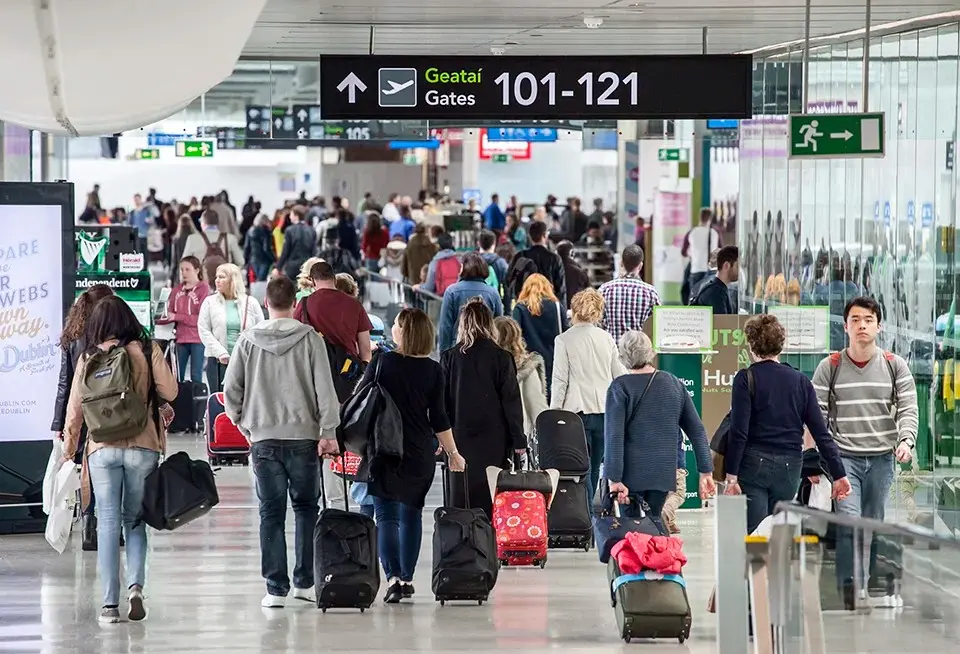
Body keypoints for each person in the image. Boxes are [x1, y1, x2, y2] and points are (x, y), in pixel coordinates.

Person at [222, 276, 341, 609]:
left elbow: (231, 390)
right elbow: (325, 391)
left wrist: (242, 422)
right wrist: (328, 431)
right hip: (304, 437)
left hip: (263, 438)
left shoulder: (247, 341)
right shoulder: (311, 340)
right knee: (306, 509)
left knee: (270, 513)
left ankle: (275, 588)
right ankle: (304, 582)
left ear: (266, 304)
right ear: (296, 305)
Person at [61, 296, 178, 624]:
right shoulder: (146, 348)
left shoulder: (88, 357)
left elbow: (74, 411)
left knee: (109, 524)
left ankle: (109, 606)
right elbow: (170, 392)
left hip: (102, 448)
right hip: (143, 445)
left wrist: (70, 452)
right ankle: (136, 588)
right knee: (135, 520)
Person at [811, 297, 918, 608]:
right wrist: (823, 455)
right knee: (848, 522)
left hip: (883, 458)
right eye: (855, 320)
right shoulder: (829, 366)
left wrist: (906, 441)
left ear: (878, 326)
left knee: (874, 521)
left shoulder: (894, 364)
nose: (861, 325)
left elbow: (909, 408)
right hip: (844, 459)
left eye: (868, 320)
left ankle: (868, 583)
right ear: (845, 326)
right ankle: (847, 588)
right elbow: (816, 414)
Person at [362, 308, 465, 603]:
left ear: (404, 331)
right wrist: (453, 453)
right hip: (419, 452)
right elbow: (440, 418)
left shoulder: (382, 362)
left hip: (384, 448)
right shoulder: (433, 370)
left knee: (385, 516)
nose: (393, 327)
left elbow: (362, 399)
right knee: (411, 514)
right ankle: (407, 579)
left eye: (396, 323)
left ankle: (393, 577)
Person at [723, 315, 850, 534]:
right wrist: (839, 474)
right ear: (781, 345)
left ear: (752, 345)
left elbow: (739, 432)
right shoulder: (800, 381)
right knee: (782, 530)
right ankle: (780, 567)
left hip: (754, 463)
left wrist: (731, 476)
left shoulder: (746, 379)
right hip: (790, 466)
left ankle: (759, 567)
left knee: (757, 531)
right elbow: (820, 432)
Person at [604, 331, 715, 518]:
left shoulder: (620, 387)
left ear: (622, 356)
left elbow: (614, 436)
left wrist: (614, 478)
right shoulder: (673, 383)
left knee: (631, 531)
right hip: (663, 474)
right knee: (654, 522)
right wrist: (705, 471)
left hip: (629, 476)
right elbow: (696, 430)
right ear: (650, 352)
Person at [441, 299, 525, 520]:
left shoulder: (450, 357)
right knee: (492, 496)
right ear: (490, 324)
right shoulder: (502, 358)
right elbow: (511, 403)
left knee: (460, 496)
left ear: (463, 324)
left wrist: (440, 438)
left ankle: (462, 540)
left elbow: (443, 402)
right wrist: (519, 440)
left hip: (459, 438)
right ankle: (488, 542)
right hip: (494, 440)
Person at [51, 283, 115, 551]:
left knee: (84, 471)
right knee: (108, 470)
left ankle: (88, 522)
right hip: (109, 411)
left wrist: (58, 423)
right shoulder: (112, 335)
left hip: (78, 412)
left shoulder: (72, 334)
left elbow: (64, 383)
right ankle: (110, 526)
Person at [551, 288, 624, 497]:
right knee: (596, 467)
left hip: (576, 414)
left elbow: (560, 380)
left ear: (574, 311)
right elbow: (619, 375)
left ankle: (586, 512)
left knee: (581, 468)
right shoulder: (606, 338)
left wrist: (554, 413)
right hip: (604, 411)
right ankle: (591, 510)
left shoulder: (564, 339)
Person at [197, 263, 265, 393]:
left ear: (233, 280)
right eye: (216, 277)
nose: (217, 280)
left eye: (222, 277)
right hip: (218, 362)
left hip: (245, 362)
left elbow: (261, 330)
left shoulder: (250, 302)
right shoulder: (210, 302)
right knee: (221, 403)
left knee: (246, 402)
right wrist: (220, 352)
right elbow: (203, 330)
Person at [294, 261, 373, 364]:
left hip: (315, 367)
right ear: (335, 279)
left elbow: (294, 337)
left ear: (313, 282)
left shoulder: (304, 304)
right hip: (346, 370)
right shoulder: (355, 305)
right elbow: (365, 350)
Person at [493, 316, 548, 455]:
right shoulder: (527, 367)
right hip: (519, 440)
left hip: (490, 435)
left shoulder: (487, 366)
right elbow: (537, 407)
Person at [511, 273, 568, 395]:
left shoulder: (520, 308)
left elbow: (515, 335)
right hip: (554, 359)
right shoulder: (557, 306)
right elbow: (565, 331)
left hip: (530, 362)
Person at [157, 256, 210, 383]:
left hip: (197, 338)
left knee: (196, 375)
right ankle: (179, 401)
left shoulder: (204, 290)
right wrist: (157, 316)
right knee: (177, 375)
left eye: (187, 269)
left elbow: (201, 318)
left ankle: (196, 401)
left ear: (197, 270)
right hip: (180, 338)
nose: (184, 273)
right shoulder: (176, 290)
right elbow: (169, 313)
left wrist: (177, 317)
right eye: (182, 270)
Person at [438, 252, 504, 351]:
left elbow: (445, 326)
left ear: (463, 268)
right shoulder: (493, 293)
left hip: (458, 348)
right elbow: (499, 323)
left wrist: (444, 354)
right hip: (487, 350)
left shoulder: (452, 292)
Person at [599, 245, 660, 346]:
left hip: (613, 352)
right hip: (639, 354)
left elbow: (597, 322)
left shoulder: (605, 290)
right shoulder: (651, 292)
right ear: (640, 266)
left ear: (621, 263)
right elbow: (658, 323)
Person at [505, 220, 566, 309]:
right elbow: (561, 289)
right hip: (548, 307)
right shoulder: (554, 259)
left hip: (524, 306)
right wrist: (561, 313)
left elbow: (508, 281)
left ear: (529, 236)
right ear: (545, 235)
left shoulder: (519, 257)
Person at [182, 210, 245, 282]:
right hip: (224, 284)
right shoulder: (230, 238)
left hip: (201, 285)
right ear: (218, 223)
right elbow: (241, 261)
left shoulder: (192, 239)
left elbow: (184, 263)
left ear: (202, 223)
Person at [681, 208, 722, 305]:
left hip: (696, 269)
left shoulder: (692, 232)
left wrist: (692, 254)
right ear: (711, 219)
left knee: (694, 299)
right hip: (712, 270)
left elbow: (683, 252)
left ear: (699, 217)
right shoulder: (715, 233)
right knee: (710, 300)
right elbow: (721, 250)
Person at [691, 245, 739, 314]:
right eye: (737, 266)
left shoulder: (717, 288)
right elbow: (722, 323)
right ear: (726, 265)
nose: (740, 271)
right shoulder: (716, 292)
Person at [275, 205, 317, 280]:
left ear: (296, 215)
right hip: (306, 266)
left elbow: (285, 251)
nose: (290, 217)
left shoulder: (289, 230)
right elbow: (314, 251)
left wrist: (278, 267)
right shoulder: (312, 230)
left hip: (292, 267)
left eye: (291, 214)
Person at [244, 214, 277, 282]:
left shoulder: (250, 231)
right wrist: (274, 259)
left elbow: (246, 247)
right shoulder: (266, 232)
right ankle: (260, 292)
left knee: (257, 279)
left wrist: (245, 260)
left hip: (253, 259)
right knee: (262, 280)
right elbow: (266, 248)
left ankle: (256, 292)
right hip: (264, 260)